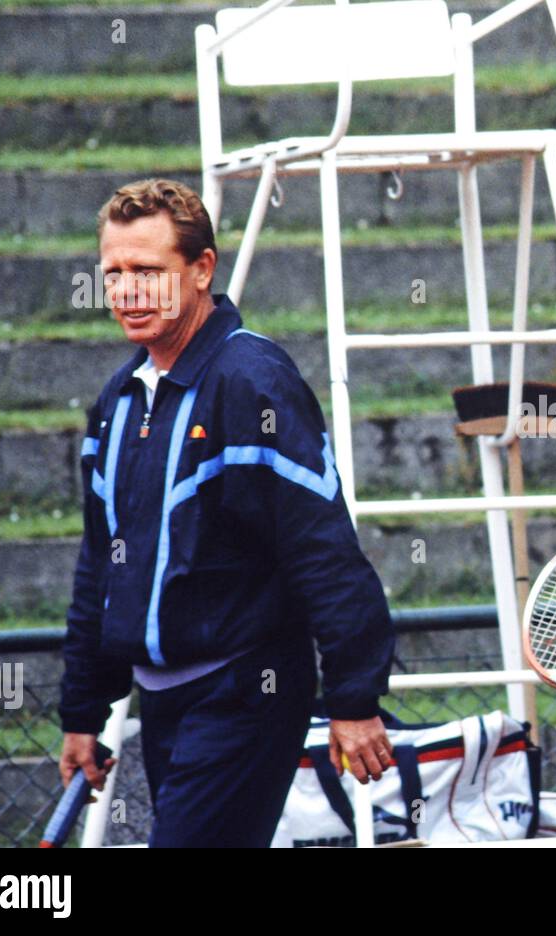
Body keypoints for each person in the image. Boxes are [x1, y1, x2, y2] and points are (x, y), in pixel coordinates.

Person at [56, 179, 395, 847]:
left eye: (148, 272)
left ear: (202, 268)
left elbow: (321, 546)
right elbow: (101, 562)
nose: (127, 292)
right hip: (162, 700)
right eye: (114, 274)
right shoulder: (117, 400)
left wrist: (355, 699)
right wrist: (81, 711)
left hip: (245, 693)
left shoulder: (252, 380)